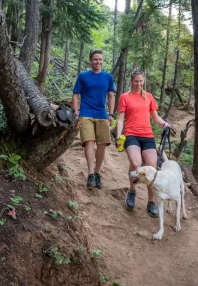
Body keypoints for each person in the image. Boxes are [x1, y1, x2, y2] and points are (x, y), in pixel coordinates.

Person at [115, 68, 170, 218]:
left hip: (147, 135)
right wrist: (119, 135)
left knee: (152, 166)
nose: (138, 84)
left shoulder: (149, 97)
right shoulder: (125, 97)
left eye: (141, 81)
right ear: (131, 81)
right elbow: (121, 119)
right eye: (136, 81)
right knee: (135, 162)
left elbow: (156, 118)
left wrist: (164, 124)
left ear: (143, 81)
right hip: (131, 134)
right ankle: (132, 191)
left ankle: (151, 201)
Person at [72, 49, 115, 189]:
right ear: (91, 61)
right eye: (95, 59)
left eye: (100, 59)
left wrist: (111, 114)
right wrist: (76, 112)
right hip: (86, 114)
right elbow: (76, 94)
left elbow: (111, 96)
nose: (98, 62)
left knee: (102, 144)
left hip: (102, 114)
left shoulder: (108, 77)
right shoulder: (83, 76)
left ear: (103, 61)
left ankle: (97, 173)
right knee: (89, 142)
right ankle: (90, 174)